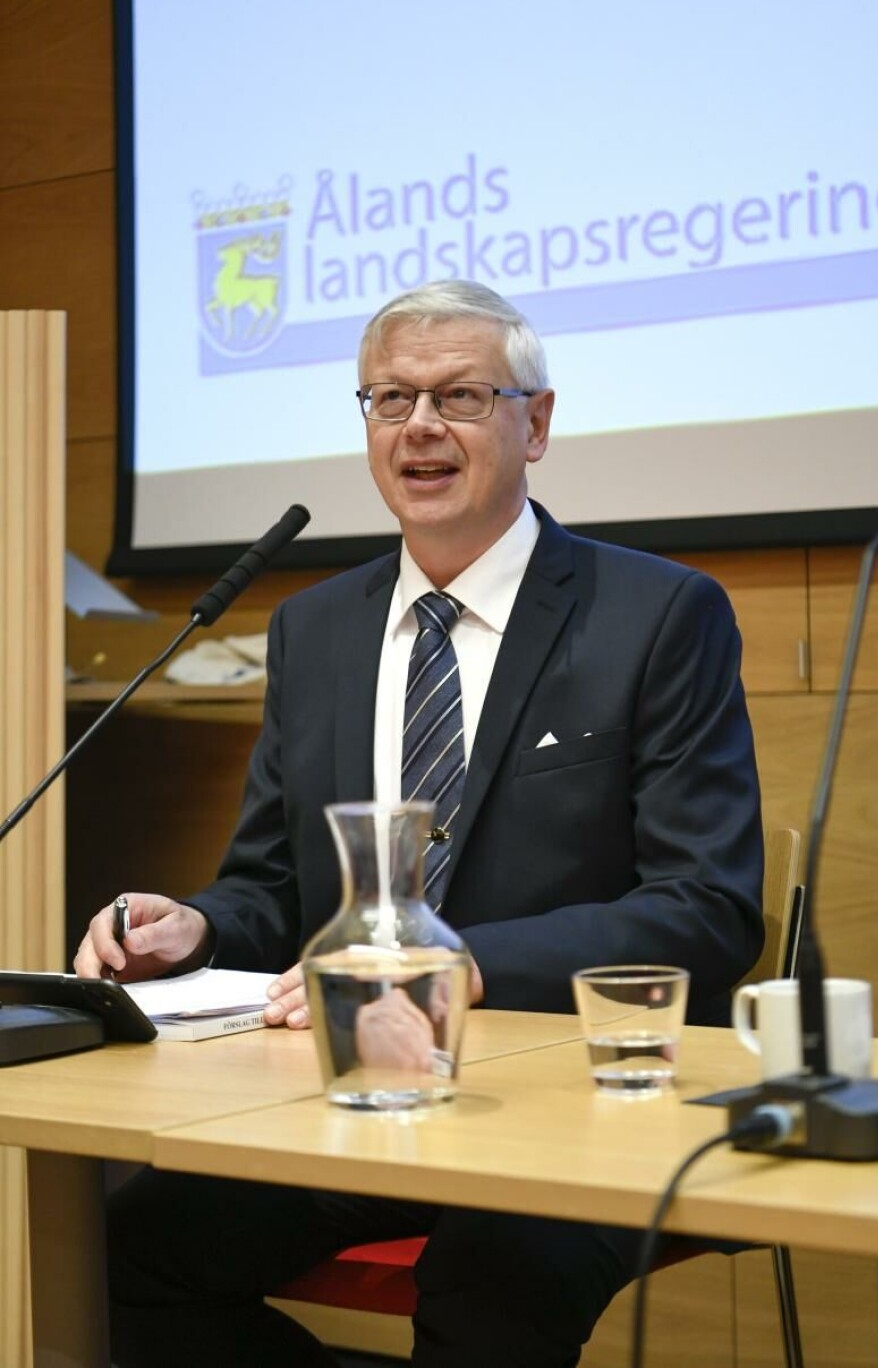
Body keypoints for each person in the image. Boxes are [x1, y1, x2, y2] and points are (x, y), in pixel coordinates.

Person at [75, 279, 764, 1368]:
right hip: (348, 1088)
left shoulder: (657, 615)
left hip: (576, 1093)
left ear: (534, 423)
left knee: (490, 1285)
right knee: (114, 1258)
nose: (420, 427)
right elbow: (273, 887)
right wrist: (195, 929)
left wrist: (460, 966)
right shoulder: (314, 629)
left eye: (459, 396)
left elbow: (707, 909)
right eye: (390, 398)